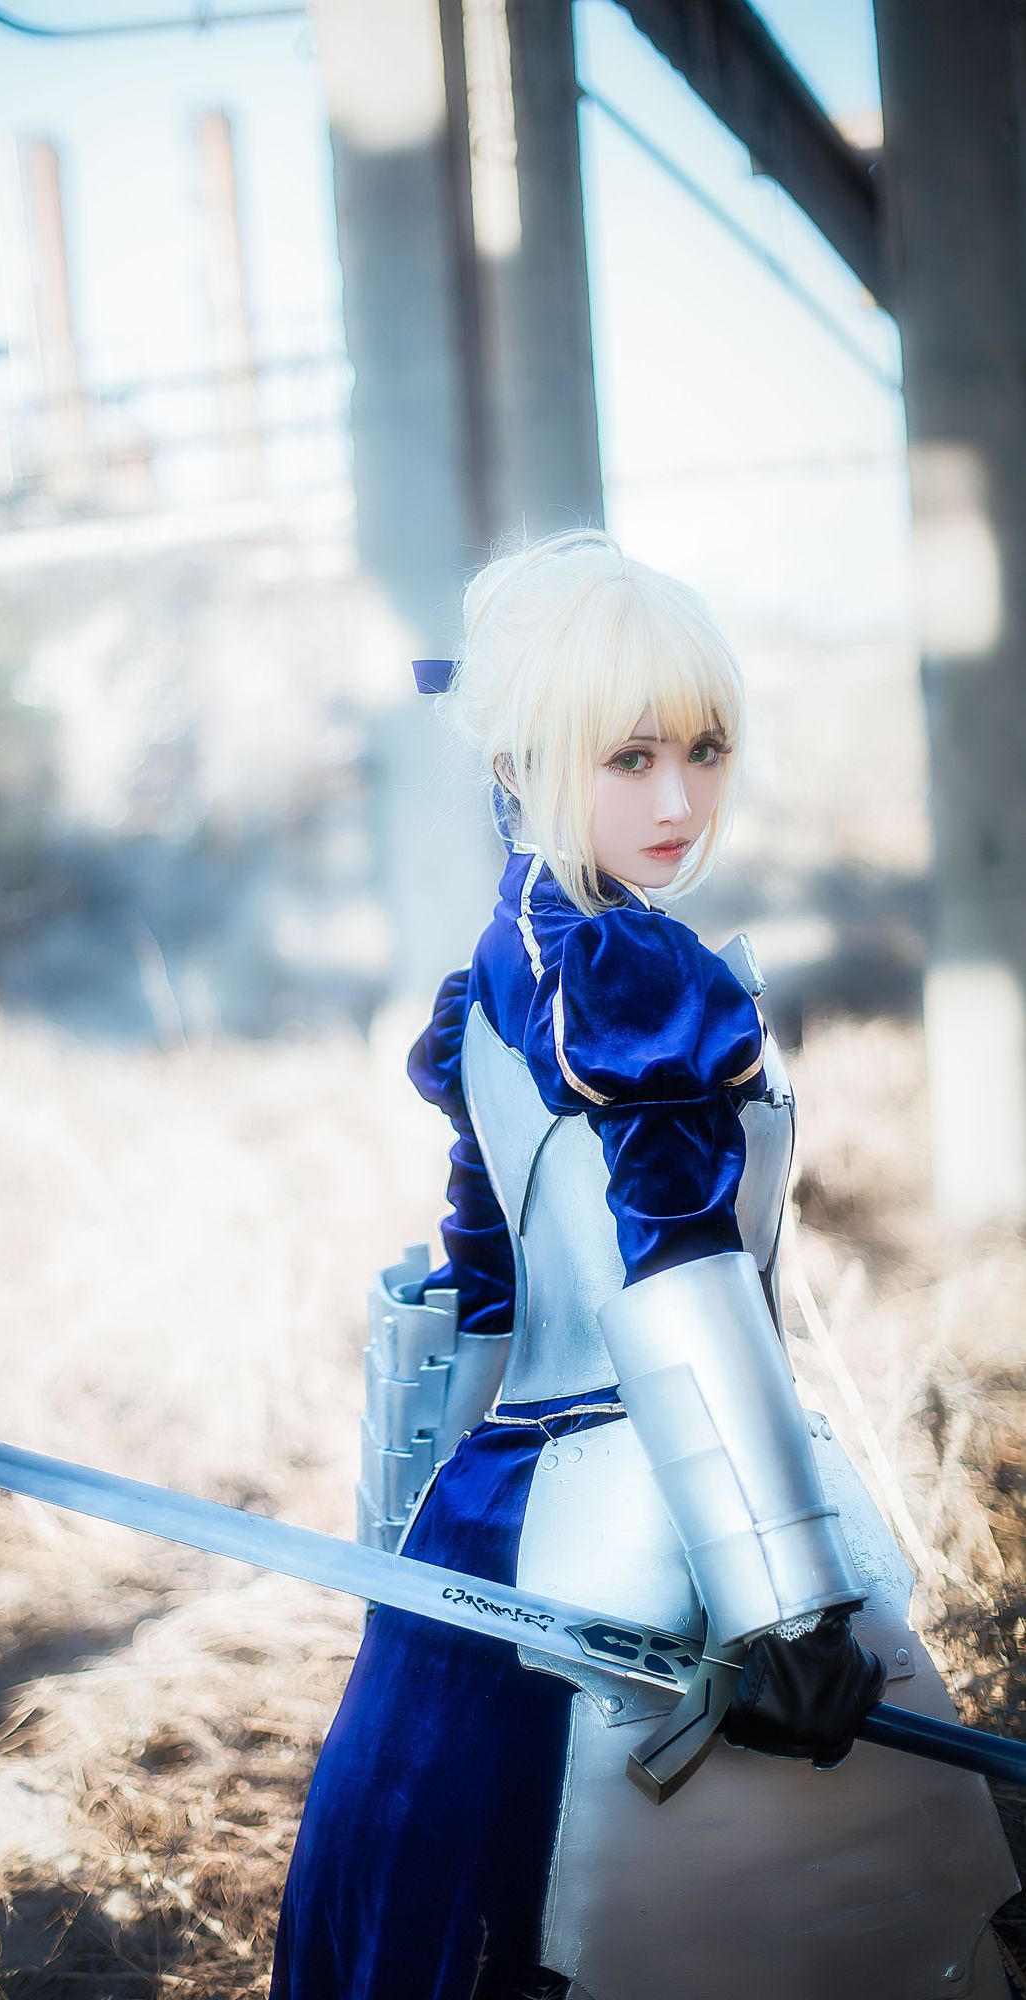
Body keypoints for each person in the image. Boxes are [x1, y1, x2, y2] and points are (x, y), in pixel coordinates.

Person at [269, 530, 1019, 2000]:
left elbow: (481, 1298)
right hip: (660, 1535)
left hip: (497, 1521)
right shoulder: (625, 975)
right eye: (627, 758)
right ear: (522, 761)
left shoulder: (507, 964)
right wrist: (785, 1602)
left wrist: (409, 1564)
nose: (677, 801)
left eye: (704, 750)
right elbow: (670, 1281)